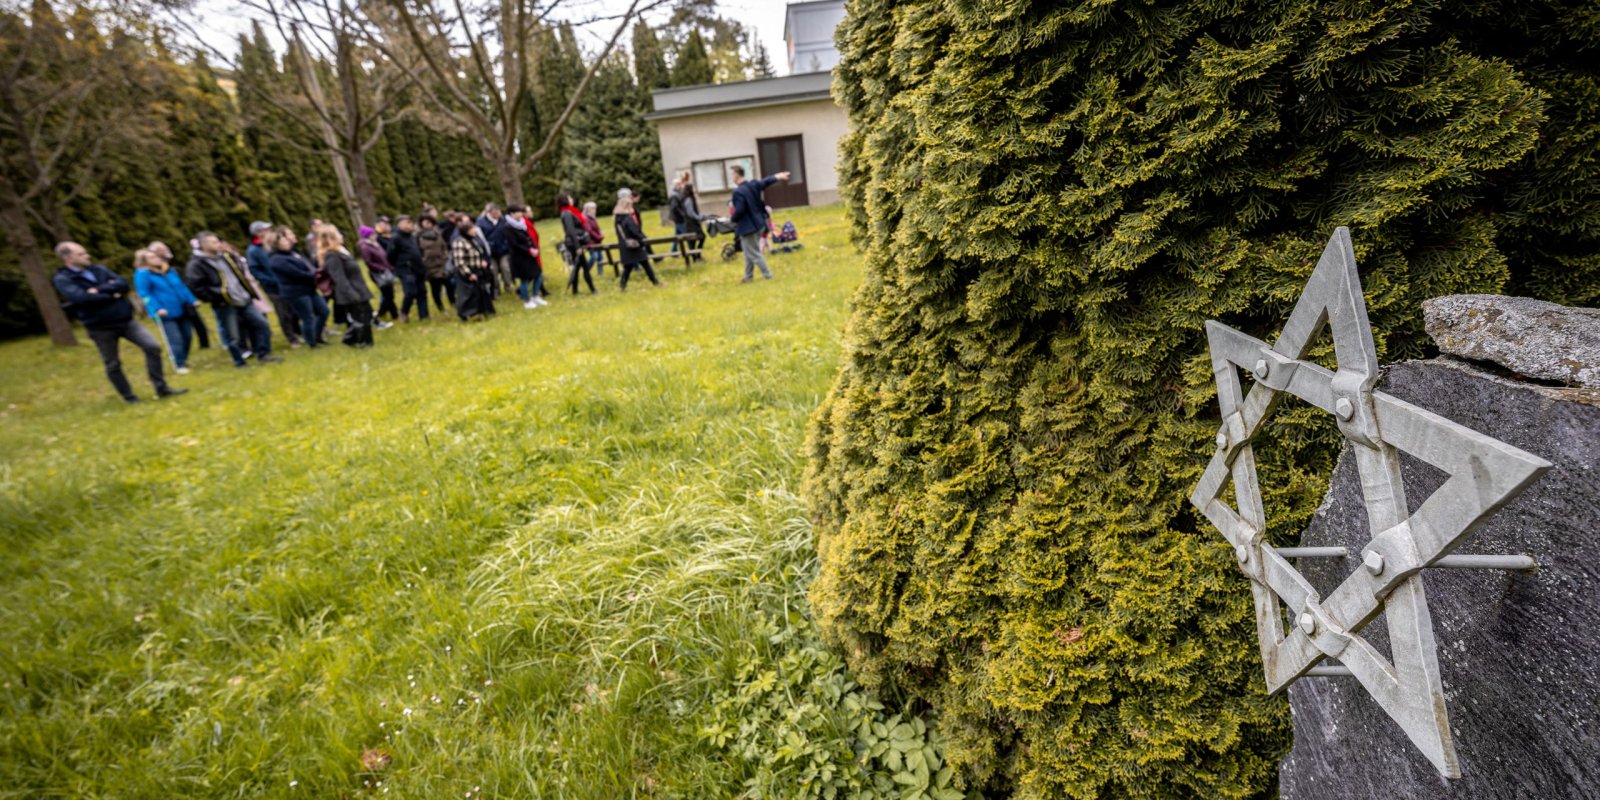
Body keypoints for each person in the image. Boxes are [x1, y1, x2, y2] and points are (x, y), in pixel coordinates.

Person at [52, 242, 186, 403]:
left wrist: (99, 291)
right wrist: (111, 293)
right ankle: (129, 397)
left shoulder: (98, 270)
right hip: (100, 326)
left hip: (125, 320)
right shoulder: (63, 279)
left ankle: (161, 387)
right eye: (81, 254)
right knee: (112, 363)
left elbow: (122, 284)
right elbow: (81, 298)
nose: (87, 255)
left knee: (152, 347)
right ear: (67, 258)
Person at [185, 231, 281, 367]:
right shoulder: (196, 265)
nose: (218, 244)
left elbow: (239, 274)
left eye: (217, 241)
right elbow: (196, 287)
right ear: (203, 245)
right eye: (214, 242)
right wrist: (217, 296)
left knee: (262, 324)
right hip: (224, 303)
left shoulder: (225, 257)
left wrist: (247, 291)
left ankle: (263, 354)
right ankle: (239, 361)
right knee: (233, 335)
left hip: (243, 299)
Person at [133, 247, 200, 374]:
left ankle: (183, 358)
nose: (157, 259)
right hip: (164, 312)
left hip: (181, 307)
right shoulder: (143, 274)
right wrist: (156, 308)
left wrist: (192, 300)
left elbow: (181, 286)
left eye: (157, 256)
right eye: (152, 258)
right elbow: (145, 293)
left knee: (187, 336)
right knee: (175, 339)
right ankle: (178, 364)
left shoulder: (168, 270)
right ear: (144, 261)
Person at [265, 226, 330, 347]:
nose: (287, 242)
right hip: (296, 292)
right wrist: (314, 275)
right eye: (283, 241)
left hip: (309, 288)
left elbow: (307, 265)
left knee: (323, 311)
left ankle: (317, 334)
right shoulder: (276, 260)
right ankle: (312, 342)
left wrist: (315, 272)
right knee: (307, 317)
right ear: (276, 244)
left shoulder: (293, 253)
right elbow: (296, 273)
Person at [246, 221, 302, 347]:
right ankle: (291, 338)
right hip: (274, 288)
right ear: (259, 233)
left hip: (287, 283)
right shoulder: (254, 250)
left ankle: (298, 331)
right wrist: (270, 281)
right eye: (266, 229)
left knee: (294, 309)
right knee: (283, 312)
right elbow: (254, 270)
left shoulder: (273, 245)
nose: (270, 230)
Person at [729, 165, 790, 282]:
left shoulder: (738, 192)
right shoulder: (753, 184)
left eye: (732, 174)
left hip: (748, 227)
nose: (732, 177)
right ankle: (748, 277)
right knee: (748, 252)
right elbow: (766, 182)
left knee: (754, 253)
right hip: (759, 224)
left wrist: (732, 218)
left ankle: (768, 275)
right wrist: (779, 176)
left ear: (736, 175)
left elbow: (740, 209)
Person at [319, 226, 375, 348]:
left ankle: (354, 339)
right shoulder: (332, 255)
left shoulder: (341, 250)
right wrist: (351, 294)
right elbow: (339, 278)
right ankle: (363, 342)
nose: (341, 236)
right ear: (331, 238)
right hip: (351, 291)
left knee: (367, 314)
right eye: (338, 234)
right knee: (360, 318)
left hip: (358, 287)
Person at [149, 240, 211, 350]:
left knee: (196, 321)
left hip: (183, 298)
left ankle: (204, 343)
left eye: (165, 248)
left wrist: (191, 299)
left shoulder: (172, 268)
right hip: (170, 304)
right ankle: (181, 349)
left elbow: (182, 285)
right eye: (161, 250)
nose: (165, 251)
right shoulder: (152, 269)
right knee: (182, 329)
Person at [450, 213, 497, 321]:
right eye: (472, 229)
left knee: (481, 292)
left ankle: (484, 311)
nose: (475, 231)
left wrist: (482, 262)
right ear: (466, 231)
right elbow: (459, 261)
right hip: (467, 272)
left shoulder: (473, 240)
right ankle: (466, 314)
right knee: (468, 295)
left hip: (477, 270)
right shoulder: (459, 242)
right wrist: (468, 274)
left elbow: (477, 253)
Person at [614, 189, 661, 291]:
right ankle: (655, 282)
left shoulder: (617, 218)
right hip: (634, 245)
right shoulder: (627, 217)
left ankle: (622, 286)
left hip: (625, 245)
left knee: (628, 266)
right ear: (626, 206)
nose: (632, 207)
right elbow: (634, 231)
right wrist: (643, 238)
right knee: (644, 263)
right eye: (630, 205)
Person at [386, 215, 430, 322]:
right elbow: (390, 255)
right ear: (400, 224)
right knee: (410, 292)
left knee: (422, 292)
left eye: (410, 223)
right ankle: (404, 312)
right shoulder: (396, 238)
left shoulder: (412, 236)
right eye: (407, 223)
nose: (410, 225)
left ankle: (424, 315)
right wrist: (400, 265)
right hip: (406, 269)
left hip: (418, 268)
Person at [503, 203, 545, 309]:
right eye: (518, 212)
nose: (521, 214)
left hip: (530, 254)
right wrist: (529, 250)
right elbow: (514, 244)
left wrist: (535, 248)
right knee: (524, 279)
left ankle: (535, 295)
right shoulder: (508, 227)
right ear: (512, 214)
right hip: (520, 257)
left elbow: (529, 237)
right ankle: (526, 300)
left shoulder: (521, 223)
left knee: (538, 275)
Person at [358, 225, 401, 323]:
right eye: (372, 234)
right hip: (378, 274)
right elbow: (368, 262)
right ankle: (394, 314)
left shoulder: (375, 244)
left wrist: (389, 267)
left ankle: (381, 312)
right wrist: (382, 269)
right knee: (388, 295)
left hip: (385, 270)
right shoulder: (365, 247)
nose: (375, 235)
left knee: (389, 294)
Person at [557, 192, 595, 295]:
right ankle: (592, 290)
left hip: (576, 241)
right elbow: (571, 231)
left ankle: (575, 291)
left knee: (578, 266)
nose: (572, 199)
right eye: (569, 198)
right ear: (565, 200)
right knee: (583, 266)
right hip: (574, 243)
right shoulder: (567, 213)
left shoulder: (570, 212)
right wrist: (577, 246)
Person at [418, 215, 452, 312]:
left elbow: (444, 246)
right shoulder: (419, 236)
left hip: (441, 263)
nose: (427, 224)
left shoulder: (438, 234)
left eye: (429, 222)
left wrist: (445, 256)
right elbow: (419, 250)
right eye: (424, 222)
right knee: (436, 287)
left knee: (449, 284)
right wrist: (423, 260)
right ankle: (440, 307)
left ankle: (453, 302)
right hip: (429, 265)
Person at [476, 203, 511, 294]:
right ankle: (496, 289)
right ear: (490, 213)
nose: (499, 214)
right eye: (496, 212)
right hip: (489, 252)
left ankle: (508, 286)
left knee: (505, 268)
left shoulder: (503, 220)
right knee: (493, 271)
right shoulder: (480, 222)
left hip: (503, 250)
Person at [678, 172, 707, 259]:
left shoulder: (688, 198)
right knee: (699, 238)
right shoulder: (688, 199)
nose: (694, 189)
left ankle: (696, 256)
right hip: (692, 224)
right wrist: (699, 217)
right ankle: (696, 256)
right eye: (693, 188)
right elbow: (690, 213)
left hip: (691, 223)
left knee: (693, 241)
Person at [581, 201, 608, 278]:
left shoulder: (592, 216)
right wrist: (599, 237)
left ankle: (600, 274)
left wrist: (600, 233)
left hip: (596, 241)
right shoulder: (585, 217)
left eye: (595, 208)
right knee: (594, 257)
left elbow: (596, 228)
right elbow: (589, 231)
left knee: (600, 257)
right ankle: (586, 271)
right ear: (587, 209)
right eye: (592, 208)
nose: (594, 210)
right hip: (590, 241)